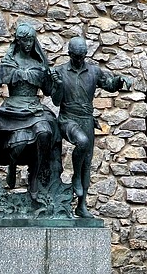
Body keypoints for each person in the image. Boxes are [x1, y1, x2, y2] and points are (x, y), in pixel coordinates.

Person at [0, 22, 62, 204]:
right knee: (17, 146)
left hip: (34, 107)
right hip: (13, 109)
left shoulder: (39, 64)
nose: (29, 44)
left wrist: (55, 82)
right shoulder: (8, 64)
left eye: (31, 40)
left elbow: (49, 90)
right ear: (19, 41)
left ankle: (36, 176)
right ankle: (12, 165)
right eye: (25, 40)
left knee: (45, 132)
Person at [50, 36, 133, 218]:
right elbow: (56, 101)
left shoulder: (94, 71)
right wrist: (57, 85)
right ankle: (75, 178)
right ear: (69, 53)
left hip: (86, 119)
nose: (79, 59)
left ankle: (81, 206)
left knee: (87, 162)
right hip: (67, 118)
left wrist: (120, 79)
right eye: (76, 56)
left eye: (82, 56)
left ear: (86, 54)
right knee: (82, 141)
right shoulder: (60, 71)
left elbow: (109, 85)